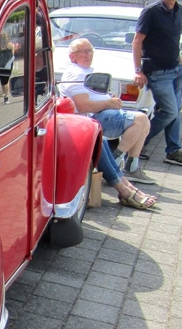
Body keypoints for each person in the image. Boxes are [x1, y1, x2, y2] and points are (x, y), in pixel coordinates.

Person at [60, 39, 157, 210]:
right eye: (82, 52)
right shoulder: (75, 74)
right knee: (139, 120)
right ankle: (124, 186)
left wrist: (109, 100)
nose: (88, 55)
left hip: (89, 120)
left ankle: (127, 185)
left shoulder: (84, 72)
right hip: (83, 120)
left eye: (90, 51)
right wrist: (109, 103)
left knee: (103, 139)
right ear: (72, 57)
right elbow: (82, 105)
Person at [132, 0, 182, 168]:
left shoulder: (179, 10)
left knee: (176, 111)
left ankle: (173, 151)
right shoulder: (151, 12)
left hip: (176, 69)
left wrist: (180, 61)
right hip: (158, 72)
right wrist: (138, 70)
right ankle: (136, 141)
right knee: (169, 111)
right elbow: (137, 42)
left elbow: (173, 39)